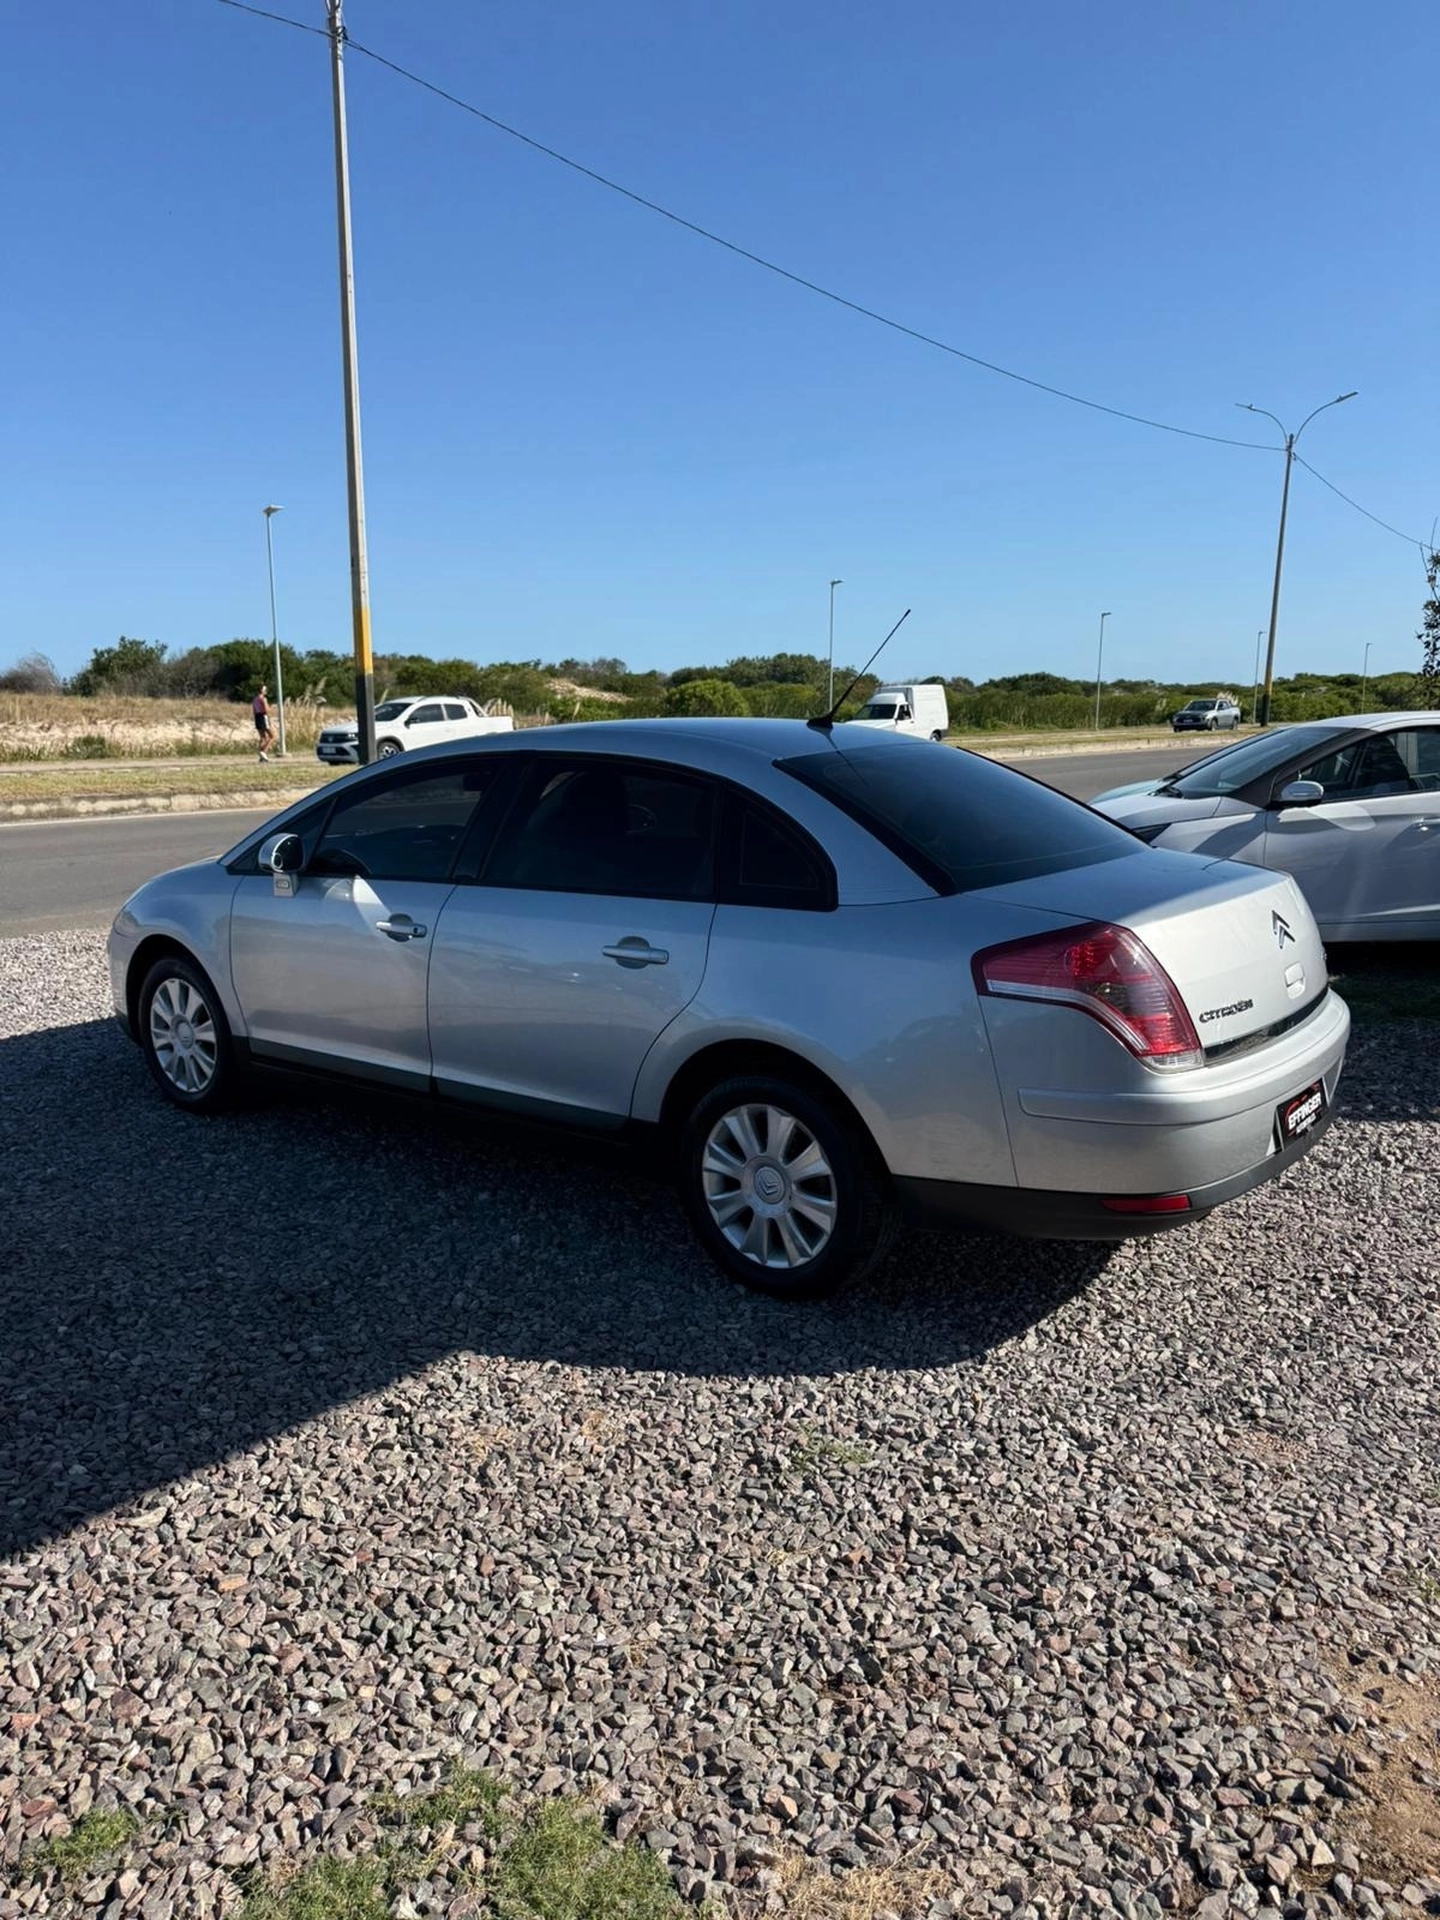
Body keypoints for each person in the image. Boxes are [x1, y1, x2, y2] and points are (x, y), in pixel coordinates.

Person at [252, 685, 276, 761]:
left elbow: (254, 710)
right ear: (262, 691)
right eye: (265, 690)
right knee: (273, 736)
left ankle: (261, 755)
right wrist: (271, 707)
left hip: (257, 717)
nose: (266, 691)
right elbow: (266, 710)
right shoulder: (263, 699)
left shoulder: (255, 699)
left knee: (263, 737)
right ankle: (264, 751)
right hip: (263, 716)